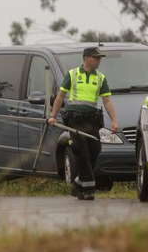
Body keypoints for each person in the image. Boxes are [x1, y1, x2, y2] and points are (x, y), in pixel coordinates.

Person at [48, 47, 118, 200]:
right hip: (75, 119)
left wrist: (113, 120)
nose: (99, 61)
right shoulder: (72, 74)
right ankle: (89, 190)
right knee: (82, 151)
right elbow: (60, 97)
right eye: (96, 58)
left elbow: (107, 100)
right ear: (87, 58)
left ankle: (79, 184)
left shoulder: (100, 78)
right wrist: (53, 116)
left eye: (99, 58)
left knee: (94, 150)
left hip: (92, 119)